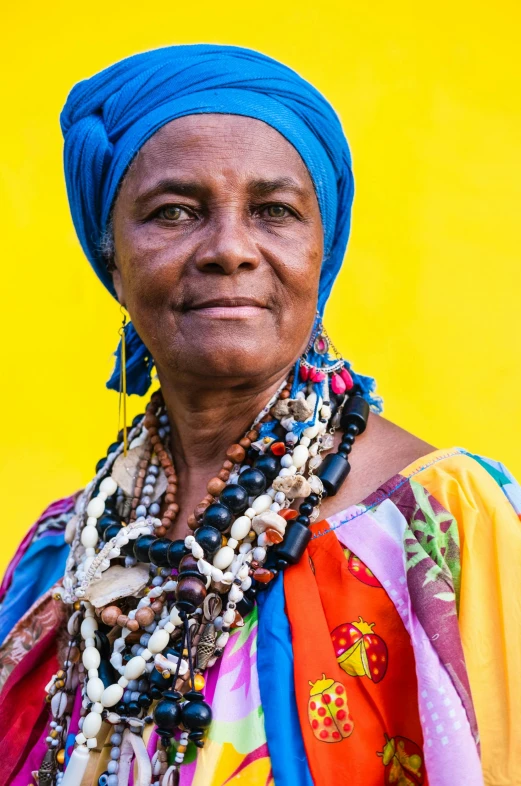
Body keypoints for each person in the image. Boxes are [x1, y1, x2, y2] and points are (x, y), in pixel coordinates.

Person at [0, 44, 519, 786]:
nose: (230, 249)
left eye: (273, 211)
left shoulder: (442, 532)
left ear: (322, 247)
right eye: (173, 212)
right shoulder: (62, 558)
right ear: (111, 257)